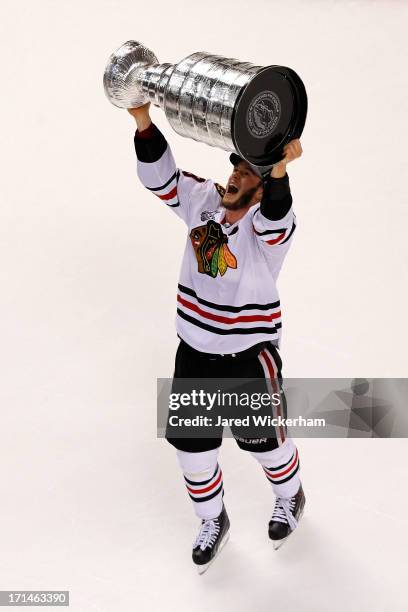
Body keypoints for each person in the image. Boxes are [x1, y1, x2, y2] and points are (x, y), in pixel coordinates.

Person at [128, 102, 305, 573]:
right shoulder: (204, 200)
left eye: (247, 173)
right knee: (192, 450)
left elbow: (278, 214)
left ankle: (290, 496)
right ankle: (213, 520)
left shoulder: (268, 233)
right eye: (235, 167)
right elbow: (160, 180)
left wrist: (281, 171)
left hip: (248, 358)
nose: (233, 177)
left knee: (265, 443)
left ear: (263, 187)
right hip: (194, 354)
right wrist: (144, 123)